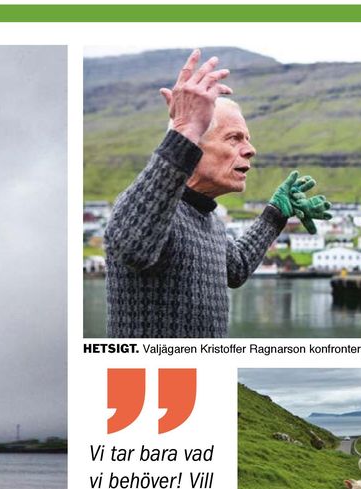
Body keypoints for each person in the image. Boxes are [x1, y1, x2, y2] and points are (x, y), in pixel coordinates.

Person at [105, 50, 331, 338]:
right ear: (194, 145)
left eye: (247, 139)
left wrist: (275, 214)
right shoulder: (145, 207)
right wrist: (185, 128)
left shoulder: (208, 220)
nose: (250, 149)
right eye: (234, 138)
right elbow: (132, 246)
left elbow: (235, 268)